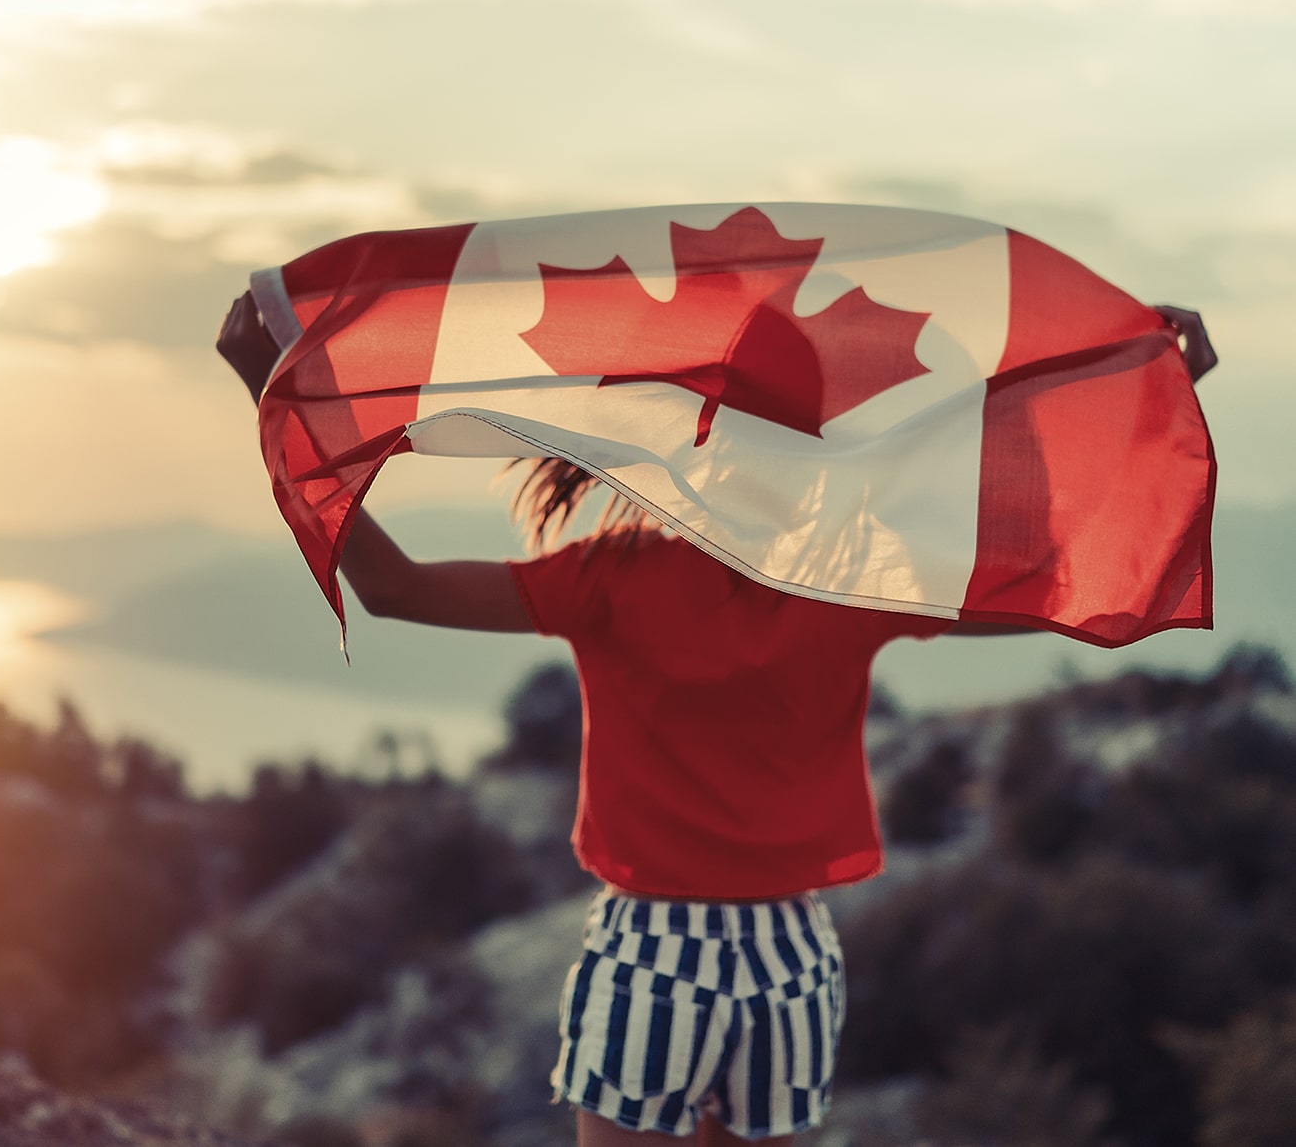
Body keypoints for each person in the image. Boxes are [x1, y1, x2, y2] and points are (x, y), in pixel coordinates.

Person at [216, 290, 1216, 1146]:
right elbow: (1044, 586)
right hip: (791, 961)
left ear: (702, 437)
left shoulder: (613, 577)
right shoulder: (849, 584)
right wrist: (1162, 399)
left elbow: (391, 587)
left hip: (653, 951)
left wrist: (273, 397)